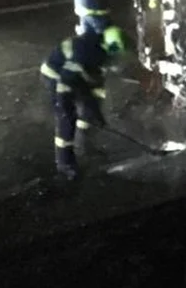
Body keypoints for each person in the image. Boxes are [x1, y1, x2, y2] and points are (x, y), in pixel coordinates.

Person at [40, 25, 126, 179]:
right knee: (66, 119)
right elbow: (66, 80)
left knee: (88, 109)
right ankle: (65, 164)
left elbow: (95, 88)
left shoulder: (99, 52)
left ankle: (85, 145)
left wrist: (96, 113)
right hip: (56, 76)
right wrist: (66, 104)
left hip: (74, 76)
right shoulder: (85, 52)